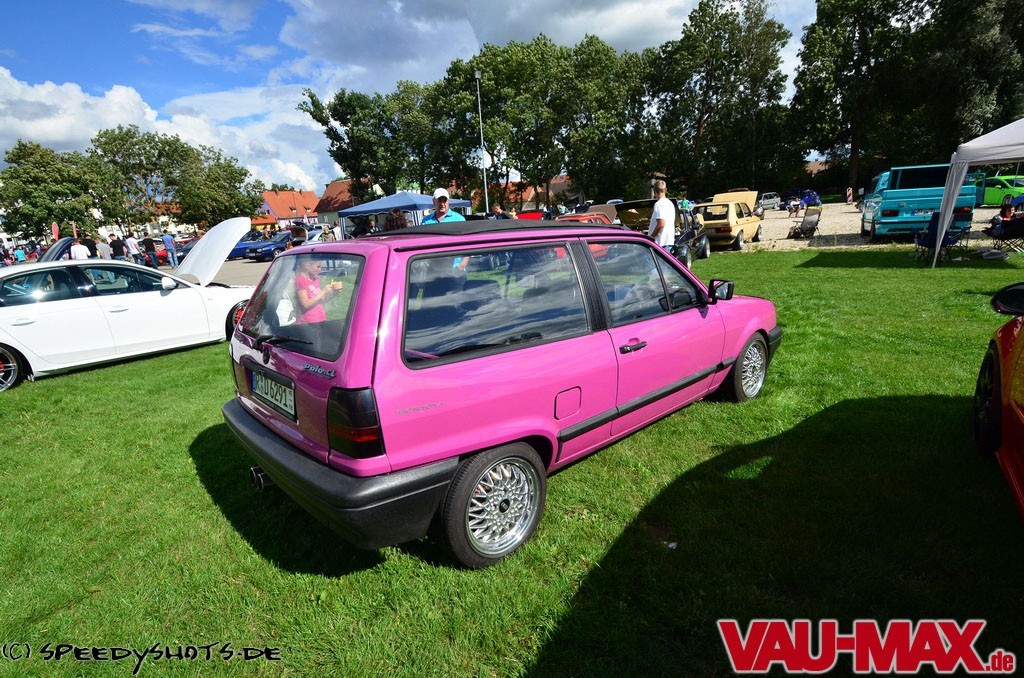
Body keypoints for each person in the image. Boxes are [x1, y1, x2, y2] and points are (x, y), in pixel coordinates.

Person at [294, 258, 343, 324]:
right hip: (307, 323)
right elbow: (305, 304)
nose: (320, 269)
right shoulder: (300, 280)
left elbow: (321, 300)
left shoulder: (316, 279)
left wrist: (334, 294)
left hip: (320, 319)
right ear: (308, 266)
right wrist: (323, 291)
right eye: (318, 267)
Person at [647, 179, 676, 249]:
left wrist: (650, 238)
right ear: (666, 189)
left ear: (654, 191)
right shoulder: (670, 204)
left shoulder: (658, 204)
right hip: (669, 241)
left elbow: (661, 224)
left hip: (660, 243)